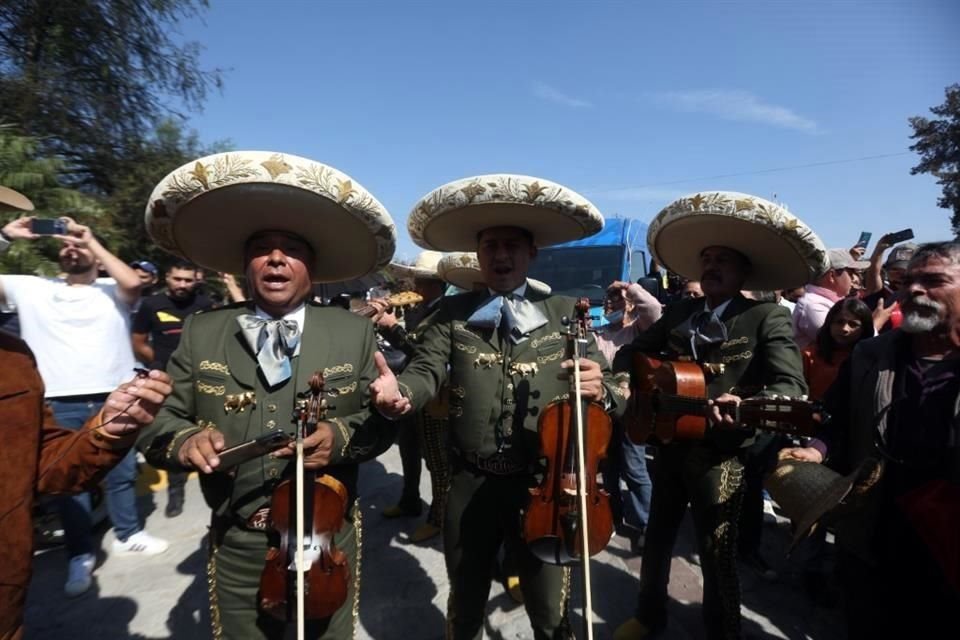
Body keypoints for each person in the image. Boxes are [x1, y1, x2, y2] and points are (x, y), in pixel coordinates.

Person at [136, 150, 398, 639]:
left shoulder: (352, 333)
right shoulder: (202, 332)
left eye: (291, 249)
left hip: (326, 539)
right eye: (262, 248)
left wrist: (338, 439)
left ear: (312, 266)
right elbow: (157, 424)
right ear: (245, 263)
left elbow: (379, 428)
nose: (276, 258)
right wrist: (183, 441)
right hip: (238, 538)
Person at [370, 174, 622, 640]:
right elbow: (425, 372)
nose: (500, 255)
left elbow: (609, 385)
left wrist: (602, 388)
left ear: (532, 254)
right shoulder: (451, 314)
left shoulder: (566, 313)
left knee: (550, 610)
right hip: (469, 483)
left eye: (511, 245)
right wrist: (401, 395)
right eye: (490, 246)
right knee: (464, 601)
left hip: (543, 486)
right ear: (478, 255)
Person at [611, 192, 825, 640]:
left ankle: (723, 631)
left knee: (716, 552)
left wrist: (751, 405)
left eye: (723, 259)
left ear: (744, 271)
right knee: (657, 539)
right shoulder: (681, 311)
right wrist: (644, 380)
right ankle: (649, 615)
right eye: (706, 258)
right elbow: (634, 352)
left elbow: (792, 387)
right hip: (667, 445)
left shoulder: (765, 317)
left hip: (721, 457)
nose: (711, 266)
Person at [780, 241, 960, 638]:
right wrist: (816, 449)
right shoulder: (870, 354)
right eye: (909, 281)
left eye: (933, 281)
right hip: (874, 533)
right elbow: (837, 421)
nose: (913, 290)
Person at [0, 212, 169, 597]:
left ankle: (129, 533)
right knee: (66, 483)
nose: (72, 249)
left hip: (114, 395)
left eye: (79, 246)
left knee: (121, 473)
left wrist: (88, 238)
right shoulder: (29, 287)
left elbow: (131, 280)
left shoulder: (113, 289)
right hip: (57, 398)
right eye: (66, 245)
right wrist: (6, 237)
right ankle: (80, 553)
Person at [369, 251, 449, 544]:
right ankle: (409, 500)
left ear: (437, 283)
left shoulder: (445, 313)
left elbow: (425, 357)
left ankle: (438, 518)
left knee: (438, 464)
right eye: (416, 279)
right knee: (408, 451)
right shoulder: (418, 308)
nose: (415, 285)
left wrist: (391, 328)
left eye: (422, 281)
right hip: (410, 392)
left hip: (436, 400)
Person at [131, 259, 213, 517]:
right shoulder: (151, 305)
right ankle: (175, 493)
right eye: (178, 279)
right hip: (166, 383)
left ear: (196, 280)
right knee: (173, 435)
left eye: (188, 280)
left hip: (203, 382)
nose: (182, 284)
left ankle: (210, 490)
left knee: (204, 433)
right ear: (168, 277)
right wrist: (159, 365)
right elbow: (138, 341)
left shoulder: (205, 305)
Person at [595, 280, 662, 555]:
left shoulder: (638, 330)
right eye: (608, 299)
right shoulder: (597, 334)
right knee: (607, 469)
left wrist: (628, 288)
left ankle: (647, 524)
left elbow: (655, 309)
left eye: (618, 300)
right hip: (603, 411)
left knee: (634, 467)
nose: (612, 303)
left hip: (633, 410)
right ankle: (612, 517)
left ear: (631, 305)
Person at [792, 248, 869, 348]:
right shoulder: (813, 306)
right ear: (832, 276)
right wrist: (876, 321)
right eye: (850, 273)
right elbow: (839, 343)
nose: (853, 278)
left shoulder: (825, 302)